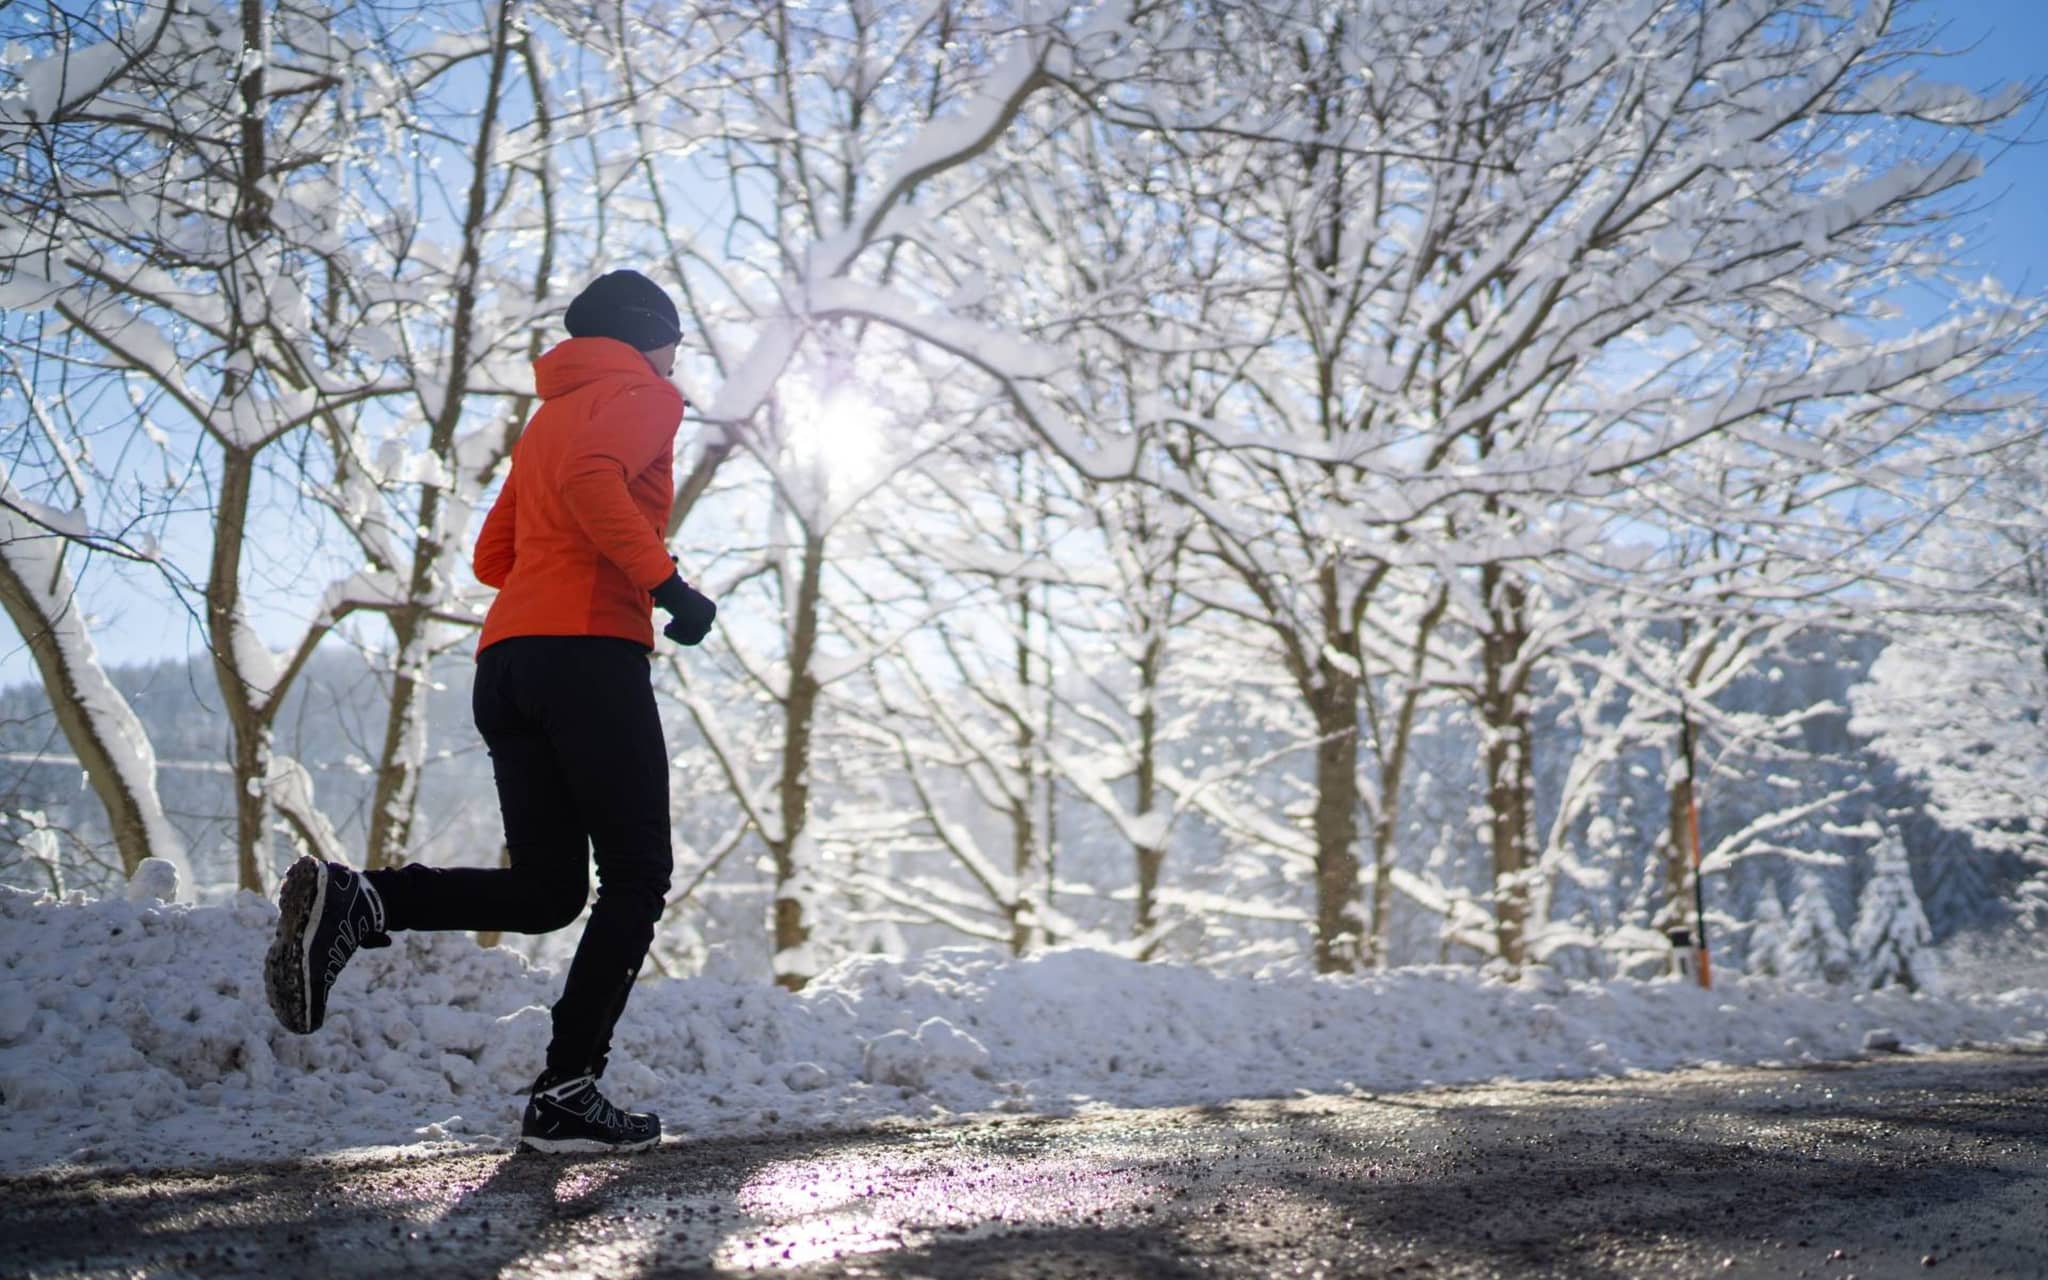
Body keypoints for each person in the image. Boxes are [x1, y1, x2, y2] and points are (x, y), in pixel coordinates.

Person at [263, 269, 717, 1154]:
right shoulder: (645, 396)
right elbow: (593, 488)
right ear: (643, 333)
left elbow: (493, 554)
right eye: (673, 338)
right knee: (637, 877)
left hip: (508, 662)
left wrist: (567, 583)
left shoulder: (550, 415)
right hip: (587, 657)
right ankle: (567, 1091)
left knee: (549, 893)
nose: (676, 357)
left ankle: (363, 900)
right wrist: (666, 584)